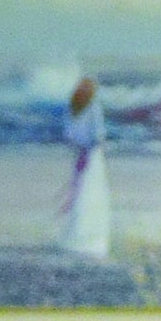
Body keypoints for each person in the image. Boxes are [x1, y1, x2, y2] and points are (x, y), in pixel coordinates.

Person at [58, 73, 111, 264]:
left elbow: (68, 133)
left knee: (78, 190)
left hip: (79, 150)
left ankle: (74, 231)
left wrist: (80, 148)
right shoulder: (93, 106)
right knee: (89, 192)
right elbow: (98, 134)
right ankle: (84, 234)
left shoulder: (73, 107)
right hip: (91, 153)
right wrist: (98, 150)